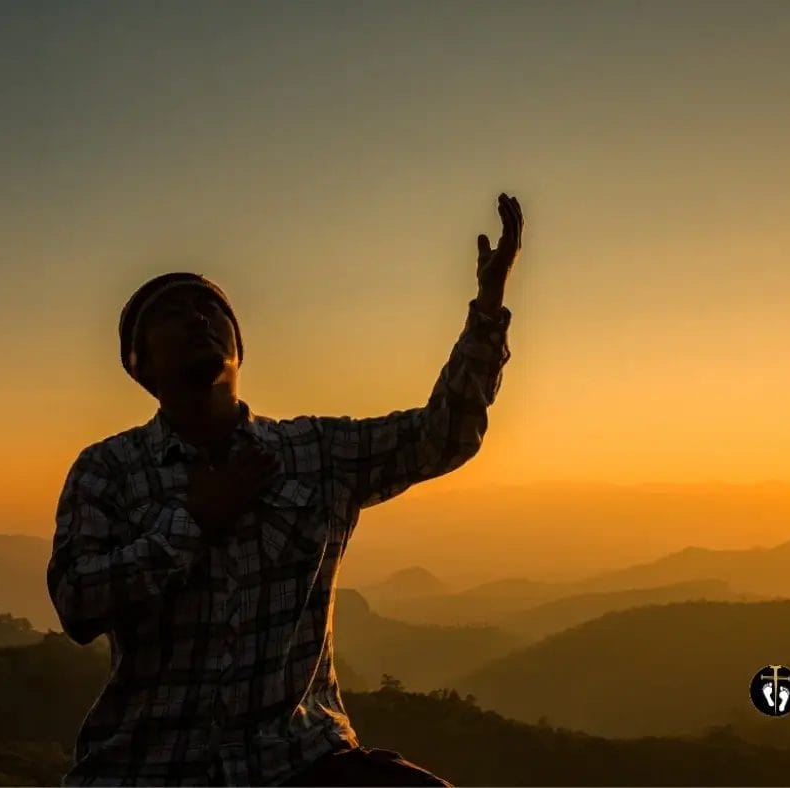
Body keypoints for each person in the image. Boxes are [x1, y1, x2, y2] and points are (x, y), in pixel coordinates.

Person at [47, 193, 524, 786]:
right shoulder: (107, 469)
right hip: (148, 768)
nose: (197, 318)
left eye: (210, 309)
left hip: (299, 760)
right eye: (171, 313)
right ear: (138, 365)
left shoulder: (314, 452)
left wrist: (488, 307)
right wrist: (192, 522)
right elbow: (77, 603)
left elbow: (442, 436)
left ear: (239, 348)